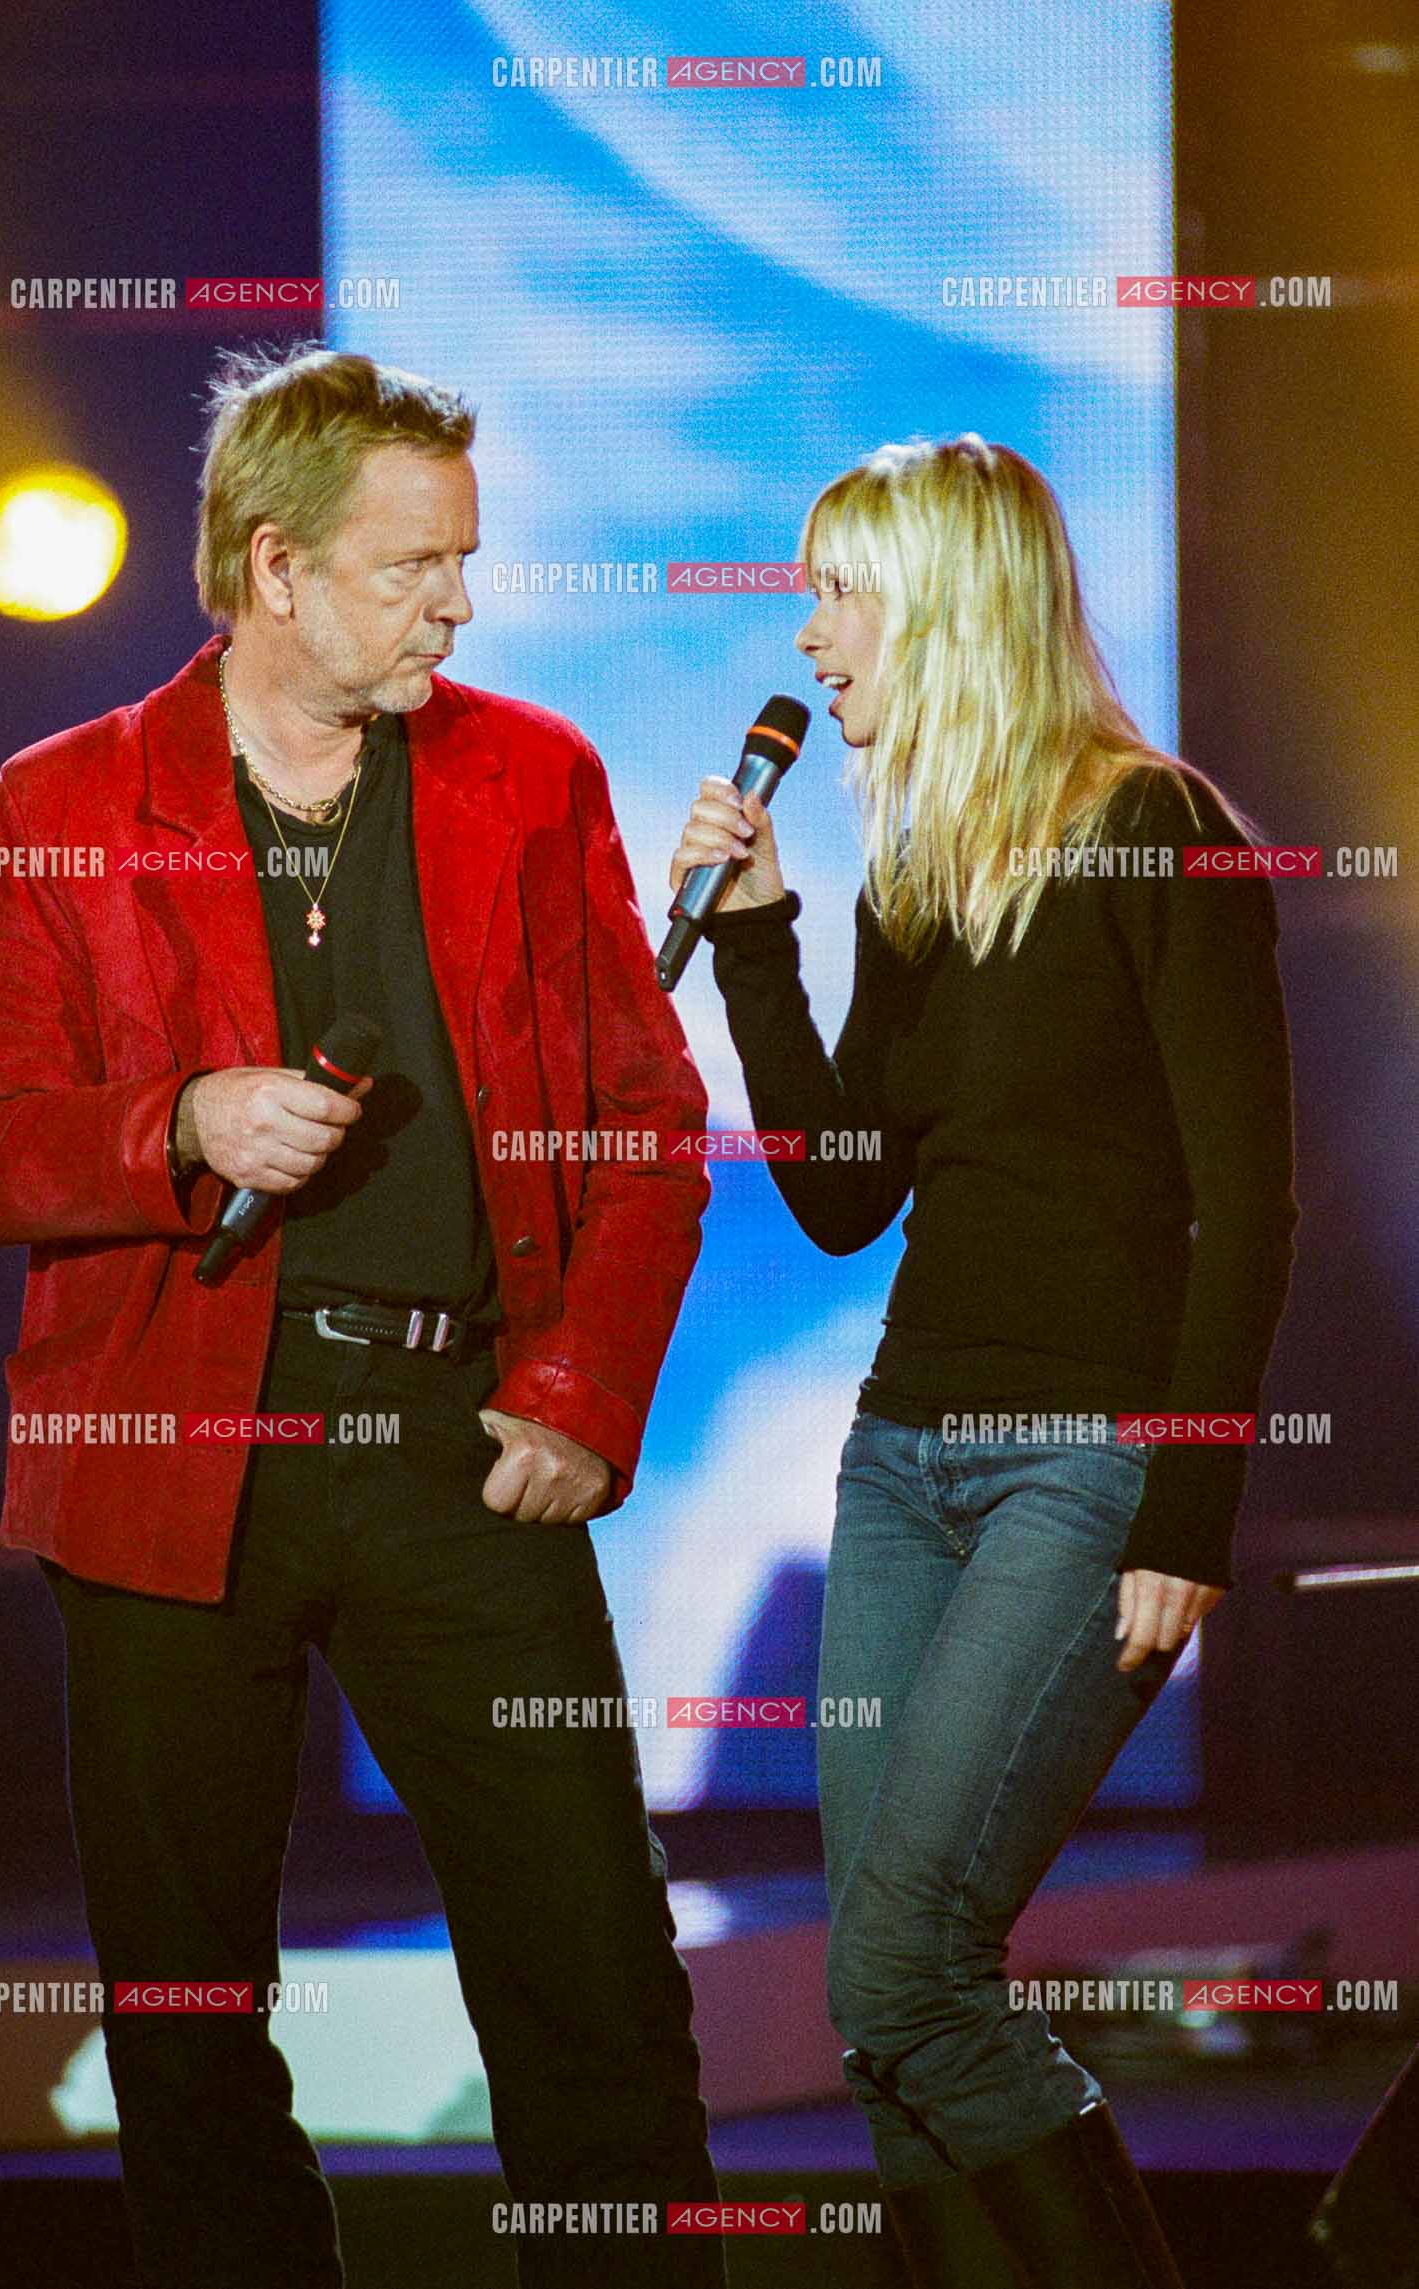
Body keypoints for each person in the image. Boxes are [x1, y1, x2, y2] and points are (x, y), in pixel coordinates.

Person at [0, 346, 725, 2289]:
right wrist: (175, 1122)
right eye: (413, 565)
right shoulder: (66, 797)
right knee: (189, 2029)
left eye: (466, 560)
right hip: (163, 1474)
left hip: (465, 1454)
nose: (458, 600)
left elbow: (644, 1119)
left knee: (600, 1996)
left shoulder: (533, 775)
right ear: (273, 568)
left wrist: (581, 1391)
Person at [670, 435, 1298, 2286]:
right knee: (888, 2009)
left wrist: (1185, 1507)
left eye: (840, 591)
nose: (812, 636)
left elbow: (1247, 1210)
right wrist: (767, 940)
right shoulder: (922, 871)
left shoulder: (1155, 829)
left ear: (943, 599)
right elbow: (850, 1196)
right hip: (902, 1462)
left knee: (904, 1966)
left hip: (1083, 1464)